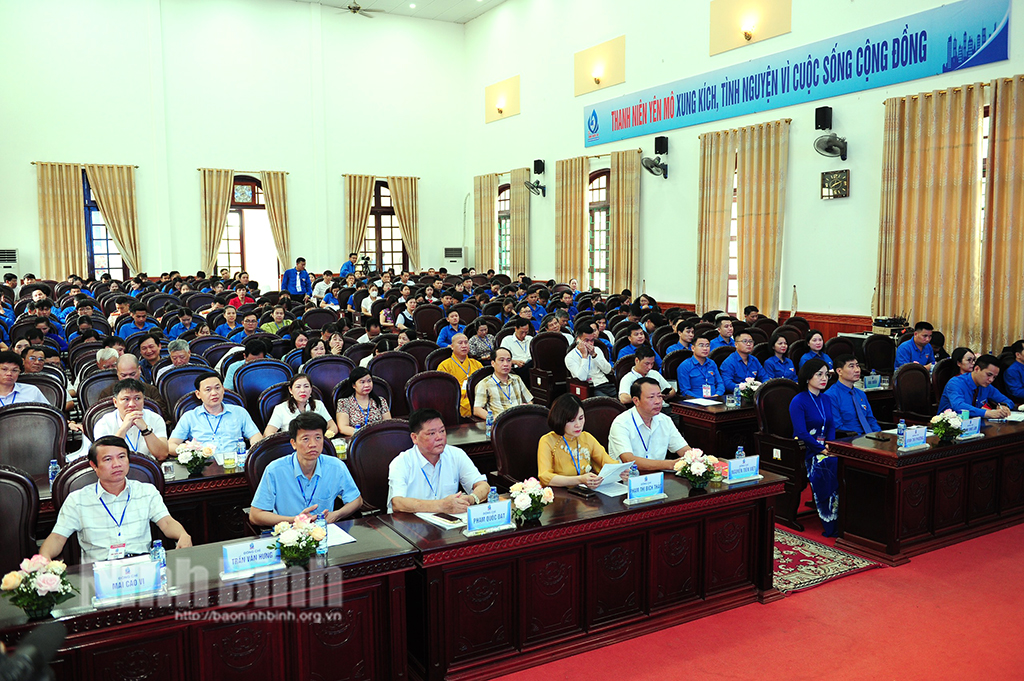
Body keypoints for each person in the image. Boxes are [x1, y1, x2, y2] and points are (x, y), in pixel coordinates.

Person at [39, 436, 192, 563]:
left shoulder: (146, 491)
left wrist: (183, 535)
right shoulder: (77, 500)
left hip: (142, 566)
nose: (117, 464)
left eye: (121, 457)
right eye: (107, 459)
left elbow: (166, 522)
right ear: (94, 465)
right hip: (99, 572)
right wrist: (44, 556)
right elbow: (58, 538)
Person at [249, 412, 360, 526]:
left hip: (323, 532)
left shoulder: (336, 466)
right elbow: (255, 515)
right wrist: (295, 520)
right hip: (289, 535)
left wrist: (337, 514)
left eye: (318, 438)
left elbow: (356, 500)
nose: (313, 444)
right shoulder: (275, 470)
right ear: (294, 443)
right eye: (306, 439)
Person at [386, 408, 489, 513]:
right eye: (431, 433)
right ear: (414, 438)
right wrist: (441, 506)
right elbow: (397, 503)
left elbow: (483, 486)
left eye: (442, 431)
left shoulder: (456, 454)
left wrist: (471, 499)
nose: (439, 437)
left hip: (447, 524)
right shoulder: (401, 462)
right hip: (411, 524)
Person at [789, 358, 838, 536]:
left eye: (826, 374)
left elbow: (831, 425)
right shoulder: (798, 400)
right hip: (808, 450)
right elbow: (801, 432)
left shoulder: (826, 399)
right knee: (830, 465)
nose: (824, 378)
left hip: (826, 448)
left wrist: (830, 446)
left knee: (844, 462)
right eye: (819, 374)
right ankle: (831, 520)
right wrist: (821, 449)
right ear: (808, 377)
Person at [537, 393, 620, 488]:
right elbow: (545, 476)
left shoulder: (586, 437)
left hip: (585, 494)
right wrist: (580, 479)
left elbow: (608, 462)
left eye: (581, 418)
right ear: (560, 419)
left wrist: (621, 471)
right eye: (572, 421)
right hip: (559, 495)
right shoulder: (547, 441)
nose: (578, 424)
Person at [608, 377, 690, 471]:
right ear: (636, 401)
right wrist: (671, 464)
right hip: (626, 479)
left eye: (659, 396)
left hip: (658, 477)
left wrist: (699, 460)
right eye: (651, 397)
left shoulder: (665, 420)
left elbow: (684, 450)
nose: (658, 401)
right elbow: (628, 460)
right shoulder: (621, 423)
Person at [169, 372, 263, 452]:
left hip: (235, 464)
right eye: (208, 390)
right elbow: (171, 445)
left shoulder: (239, 412)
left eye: (217, 388)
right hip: (204, 467)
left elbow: (256, 437)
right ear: (198, 394)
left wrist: (251, 451)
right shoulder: (189, 417)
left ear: (223, 389)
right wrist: (190, 453)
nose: (214, 393)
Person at [93, 378, 169, 460]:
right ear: (115, 402)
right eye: (126, 399)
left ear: (143, 400)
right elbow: (104, 457)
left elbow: (162, 455)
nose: (132, 404)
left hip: (147, 468)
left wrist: (145, 430)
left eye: (137, 398)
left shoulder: (155, 418)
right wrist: (123, 428)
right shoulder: (103, 423)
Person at [937, 354, 1013, 419]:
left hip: (974, 425)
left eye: (994, 377)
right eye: (989, 375)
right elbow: (959, 406)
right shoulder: (956, 383)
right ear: (976, 369)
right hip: (949, 426)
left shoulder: (986, 386)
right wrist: (986, 413)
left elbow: (1008, 401)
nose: (991, 380)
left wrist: (1004, 406)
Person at [264, 373, 338, 437]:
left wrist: (322, 437)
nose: (302, 390)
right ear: (290, 390)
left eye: (306, 386)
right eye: (298, 387)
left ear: (311, 389)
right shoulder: (281, 408)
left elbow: (333, 427)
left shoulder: (318, 405)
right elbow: (268, 433)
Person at [98, 354, 170, 418]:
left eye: (132, 374)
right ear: (117, 372)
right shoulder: (107, 393)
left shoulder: (151, 390)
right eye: (124, 375)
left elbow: (162, 414)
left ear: (139, 370)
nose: (128, 378)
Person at [826, 355, 881, 435]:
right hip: (849, 440)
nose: (857, 370)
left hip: (870, 438)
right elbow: (837, 426)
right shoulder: (831, 396)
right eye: (851, 366)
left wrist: (879, 435)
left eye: (857, 366)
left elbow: (870, 419)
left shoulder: (860, 393)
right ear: (839, 371)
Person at [473, 347, 533, 419]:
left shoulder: (517, 379)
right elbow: (477, 410)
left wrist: (527, 409)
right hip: (500, 423)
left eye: (508, 360)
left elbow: (529, 401)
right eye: (501, 360)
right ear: (493, 363)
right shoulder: (485, 384)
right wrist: (494, 419)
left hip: (520, 420)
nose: (506, 364)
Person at [335, 367, 391, 436]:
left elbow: (388, 424)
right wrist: (365, 435)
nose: (367, 385)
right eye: (362, 382)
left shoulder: (380, 401)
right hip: (357, 439)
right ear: (353, 385)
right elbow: (343, 428)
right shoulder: (344, 403)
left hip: (379, 437)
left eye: (369, 381)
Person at [438, 333, 482, 418]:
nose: (464, 346)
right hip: (457, 400)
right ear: (452, 346)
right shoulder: (444, 366)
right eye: (460, 343)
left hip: (478, 397)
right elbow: (444, 390)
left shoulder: (476, 364)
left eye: (466, 342)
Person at [565, 325, 615, 398]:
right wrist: (584, 356)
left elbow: (608, 370)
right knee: (609, 403)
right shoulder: (570, 357)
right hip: (589, 388)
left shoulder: (596, 350)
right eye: (586, 340)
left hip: (605, 384)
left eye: (592, 340)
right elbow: (582, 378)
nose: (590, 343)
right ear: (578, 340)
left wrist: (594, 355)